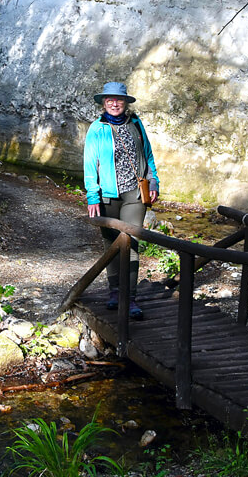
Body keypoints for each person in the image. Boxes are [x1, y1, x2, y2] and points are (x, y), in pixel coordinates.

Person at [83, 81, 159, 320]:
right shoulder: (97, 129)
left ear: (126, 103)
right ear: (104, 103)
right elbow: (89, 164)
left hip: (134, 194)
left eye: (119, 100)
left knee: (132, 243)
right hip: (107, 196)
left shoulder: (136, 124)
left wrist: (153, 180)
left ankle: (131, 297)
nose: (114, 103)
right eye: (109, 100)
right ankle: (115, 292)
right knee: (112, 245)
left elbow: (147, 154)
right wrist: (92, 195)